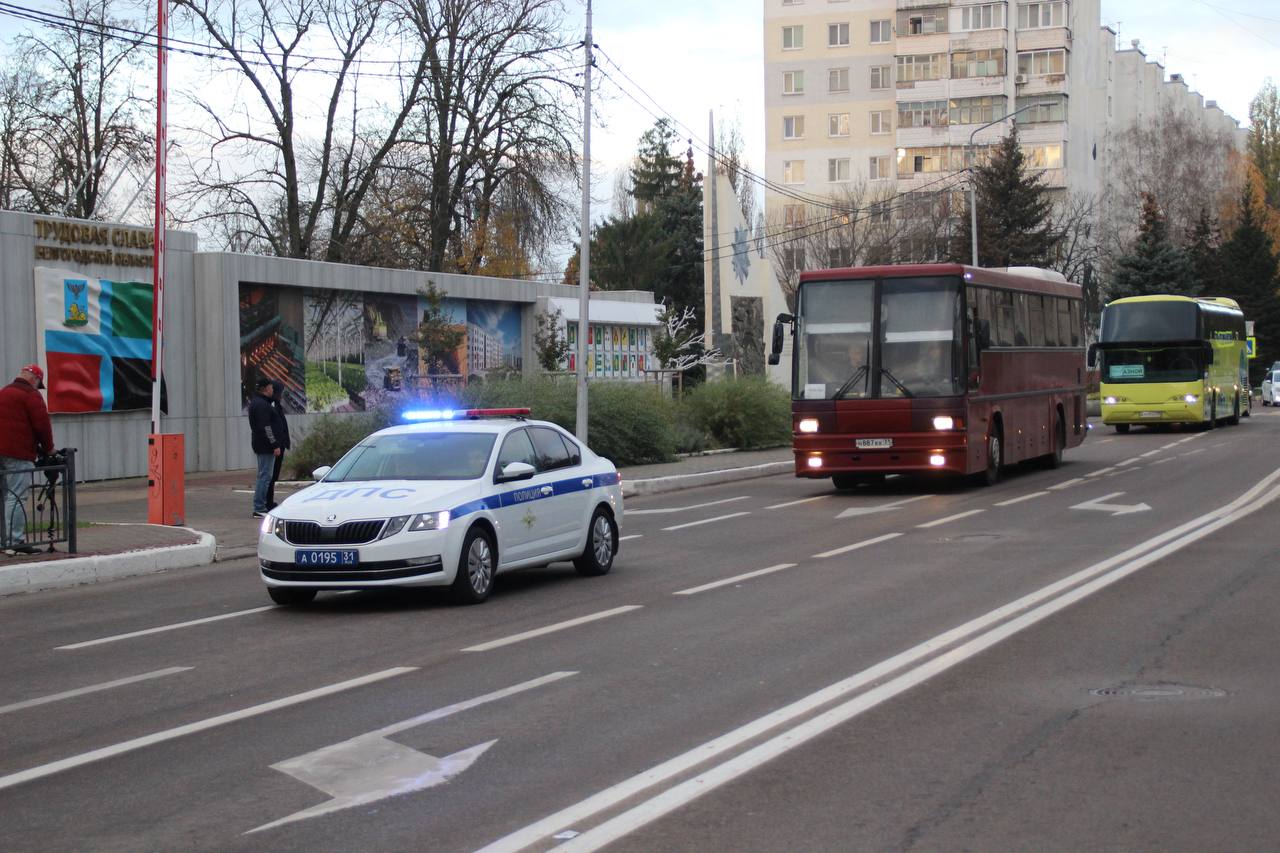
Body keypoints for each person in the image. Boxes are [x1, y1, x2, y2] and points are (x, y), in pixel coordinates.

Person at [0, 364, 54, 553]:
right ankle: (15, 541)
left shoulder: (4, 392)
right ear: (35, 380)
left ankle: (3, 541)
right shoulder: (31, 395)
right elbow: (42, 425)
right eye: (39, 384)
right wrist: (49, 448)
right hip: (18, 453)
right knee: (16, 497)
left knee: (4, 497)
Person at [247, 376, 282, 518]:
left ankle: (261, 506)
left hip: (262, 445)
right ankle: (259, 507)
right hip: (265, 446)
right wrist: (274, 444)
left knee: (264, 475)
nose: (273, 389)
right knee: (265, 476)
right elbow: (266, 427)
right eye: (271, 387)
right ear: (266, 389)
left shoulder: (258, 403)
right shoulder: (261, 405)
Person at [267, 380, 291, 510]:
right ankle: (267, 502)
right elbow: (269, 427)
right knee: (270, 476)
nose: (282, 395)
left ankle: (269, 501)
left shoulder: (276, 405)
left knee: (273, 476)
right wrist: (275, 444)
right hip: (276, 445)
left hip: (280, 444)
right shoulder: (271, 405)